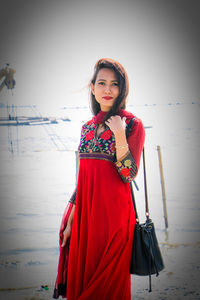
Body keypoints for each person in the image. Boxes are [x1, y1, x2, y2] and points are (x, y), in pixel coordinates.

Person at [53, 58, 145, 300]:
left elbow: (129, 174)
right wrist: (72, 220)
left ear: (122, 89)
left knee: (107, 285)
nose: (107, 90)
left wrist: (119, 134)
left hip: (115, 221)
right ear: (92, 88)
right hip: (86, 218)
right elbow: (83, 179)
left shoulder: (133, 124)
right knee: (85, 281)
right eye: (101, 83)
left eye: (114, 84)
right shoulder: (85, 128)